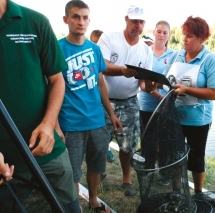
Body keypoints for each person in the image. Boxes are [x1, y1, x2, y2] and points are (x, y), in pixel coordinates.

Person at [0, 0, 81, 212]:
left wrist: (49, 123)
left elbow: (56, 80)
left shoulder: (35, 22)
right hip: (3, 158)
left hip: (45, 147)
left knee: (68, 206)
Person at [58, 1, 121, 212]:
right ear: (66, 19)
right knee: (73, 169)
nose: (81, 22)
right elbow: (52, 86)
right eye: (75, 17)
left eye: (85, 17)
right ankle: (75, 204)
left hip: (96, 120)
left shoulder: (94, 49)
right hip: (71, 122)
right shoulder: (57, 48)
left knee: (96, 165)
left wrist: (111, 114)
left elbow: (101, 82)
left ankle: (93, 198)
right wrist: (55, 124)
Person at [151, 16, 215, 193]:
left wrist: (186, 90)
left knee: (196, 159)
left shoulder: (210, 60)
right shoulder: (177, 55)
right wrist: (153, 82)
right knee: (175, 156)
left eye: (190, 36)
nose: (185, 39)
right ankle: (177, 190)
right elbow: (166, 81)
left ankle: (198, 192)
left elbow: (214, 93)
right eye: (184, 35)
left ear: (202, 38)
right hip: (174, 117)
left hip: (198, 120)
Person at [97, 5, 153, 196]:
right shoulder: (109, 38)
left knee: (128, 144)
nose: (137, 25)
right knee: (99, 141)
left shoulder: (146, 51)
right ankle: (99, 171)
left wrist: (150, 87)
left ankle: (127, 179)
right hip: (103, 101)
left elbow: (143, 84)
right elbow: (101, 65)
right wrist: (122, 70)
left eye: (141, 22)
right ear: (126, 20)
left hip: (129, 102)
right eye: (134, 21)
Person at [139, 20, 175, 133]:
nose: (161, 35)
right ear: (154, 32)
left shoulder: (174, 55)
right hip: (146, 105)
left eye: (165, 33)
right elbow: (141, 83)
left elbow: (174, 81)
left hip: (167, 107)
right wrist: (159, 97)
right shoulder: (144, 52)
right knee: (146, 141)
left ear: (169, 35)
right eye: (159, 31)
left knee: (164, 143)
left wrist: (165, 100)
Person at [90, 29, 115, 165]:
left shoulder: (100, 53)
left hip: (104, 99)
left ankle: (106, 150)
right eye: (95, 42)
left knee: (104, 132)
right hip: (93, 102)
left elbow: (101, 81)